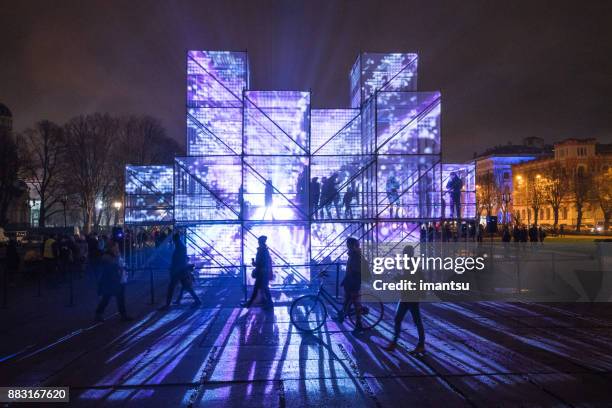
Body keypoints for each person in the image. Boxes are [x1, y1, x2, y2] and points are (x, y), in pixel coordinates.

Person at [385, 245, 425, 354]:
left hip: (410, 296)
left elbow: (410, 279)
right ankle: (396, 342)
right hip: (408, 296)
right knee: (405, 320)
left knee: (409, 320)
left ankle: (419, 345)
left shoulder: (411, 264)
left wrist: (398, 278)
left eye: (405, 253)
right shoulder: (411, 263)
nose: (404, 255)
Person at [95, 240, 132, 322]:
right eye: (116, 246)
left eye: (117, 246)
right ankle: (98, 313)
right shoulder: (107, 256)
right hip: (110, 281)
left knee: (120, 298)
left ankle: (123, 315)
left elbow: (121, 264)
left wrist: (124, 266)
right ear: (111, 247)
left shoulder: (116, 254)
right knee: (106, 298)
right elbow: (113, 266)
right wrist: (119, 262)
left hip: (119, 279)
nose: (117, 248)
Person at [162, 233, 201, 308]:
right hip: (182, 270)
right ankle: (197, 300)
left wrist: (172, 268)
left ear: (175, 239)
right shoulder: (182, 246)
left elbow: (177, 260)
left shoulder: (178, 248)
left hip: (178, 271)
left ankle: (167, 305)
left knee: (171, 287)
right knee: (187, 286)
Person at [335, 237, 365, 333]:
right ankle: (342, 316)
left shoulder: (356, 255)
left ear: (351, 245)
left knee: (355, 303)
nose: (346, 245)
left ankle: (359, 325)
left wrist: (348, 278)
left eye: (348, 244)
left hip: (354, 283)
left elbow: (356, 271)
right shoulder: (353, 255)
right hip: (351, 282)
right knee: (347, 301)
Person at [245, 235, 273, 309]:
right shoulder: (264, 250)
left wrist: (255, 263)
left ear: (260, 242)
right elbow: (264, 262)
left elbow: (261, 263)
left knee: (260, 289)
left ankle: (249, 304)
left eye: (259, 241)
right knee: (262, 289)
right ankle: (250, 303)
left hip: (262, 274)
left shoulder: (262, 250)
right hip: (263, 273)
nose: (258, 242)